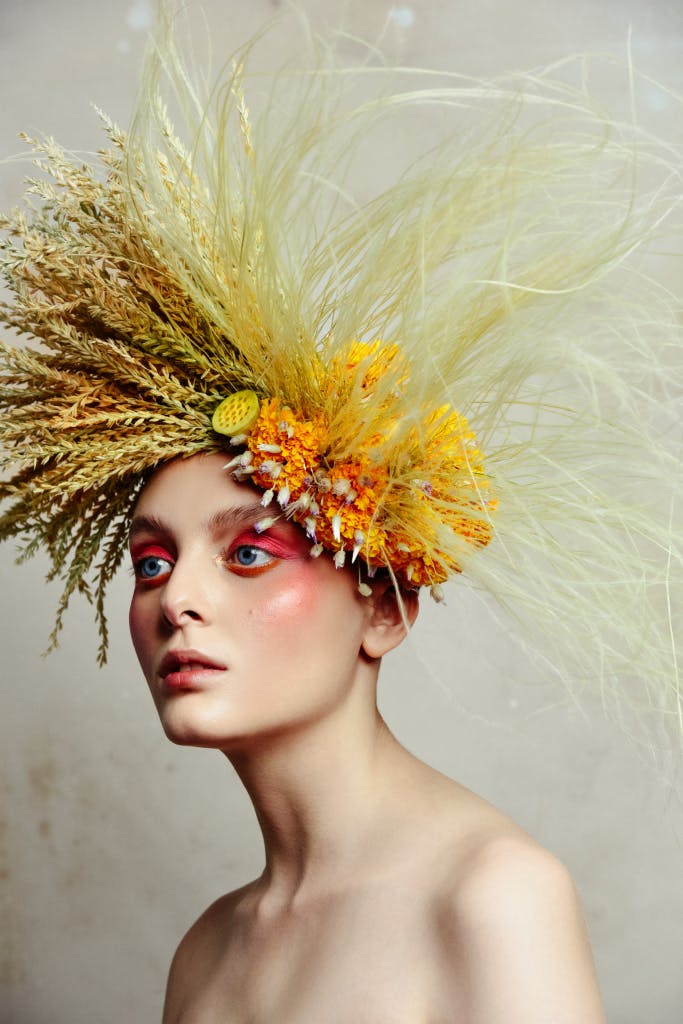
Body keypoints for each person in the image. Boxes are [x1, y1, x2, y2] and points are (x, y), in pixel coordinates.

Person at [0, 9, 680, 1022]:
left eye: (248, 552)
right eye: (150, 563)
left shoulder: (490, 899)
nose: (176, 600)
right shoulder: (207, 952)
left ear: (384, 608)